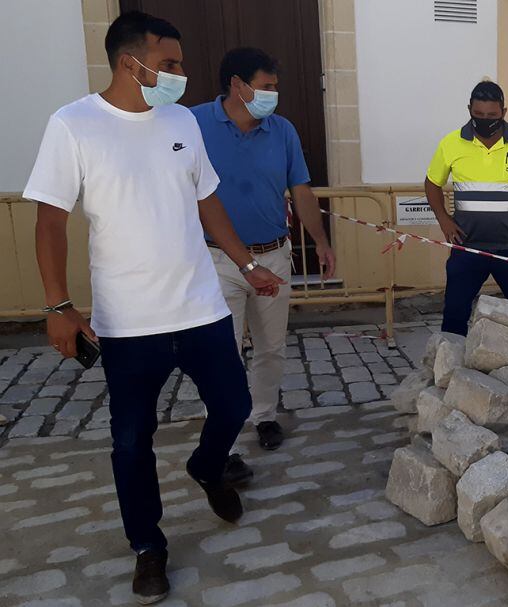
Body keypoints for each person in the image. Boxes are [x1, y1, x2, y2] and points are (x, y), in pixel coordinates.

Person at [25, 11, 285, 605]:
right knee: (130, 440)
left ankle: (206, 464)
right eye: (168, 64)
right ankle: (149, 546)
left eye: (179, 63)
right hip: (128, 322)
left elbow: (207, 201)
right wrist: (59, 305)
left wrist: (246, 265)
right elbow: (49, 219)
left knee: (236, 403)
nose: (179, 74)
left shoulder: (182, 123)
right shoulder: (74, 125)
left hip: (199, 307)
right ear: (128, 62)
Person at [192, 47, 334, 462]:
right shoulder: (195, 123)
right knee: (223, 352)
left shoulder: (283, 130)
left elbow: (302, 191)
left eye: (275, 87)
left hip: (273, 258)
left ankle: (265, 415)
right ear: (237, 85)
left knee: (271, 347)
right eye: (267, 87)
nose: (274, 95)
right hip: (218, 261)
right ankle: (224, 441)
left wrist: (321, 242)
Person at [425, 80, 508, 336]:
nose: (485, 120)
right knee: (455, 315)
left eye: (492, 115)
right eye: (478, 114)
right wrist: (444, 220)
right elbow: (431, 183)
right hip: (467, 246)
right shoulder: (451, 143)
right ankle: (451, 368)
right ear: (469, 109)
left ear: (504, 112)